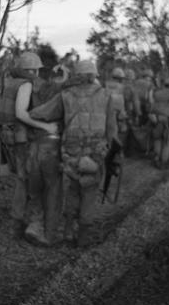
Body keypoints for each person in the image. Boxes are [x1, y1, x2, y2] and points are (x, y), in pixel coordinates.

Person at [30, 59, 118, 247]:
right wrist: (110, 155)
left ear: (76, 76)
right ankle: (83, 237)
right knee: (89, 191)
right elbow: (112, 131)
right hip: (95, 155)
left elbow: (40, 113)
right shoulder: (107, 96)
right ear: (94, 75)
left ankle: (68, 231)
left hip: (70, 153)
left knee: (73, 188)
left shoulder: (65, 95)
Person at [0, 52, 60, 240]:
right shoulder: (26, 84)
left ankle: (19, 222)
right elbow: (21, 114)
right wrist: (45, 126)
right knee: (25, 179)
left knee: (22, 178)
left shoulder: (10, 82)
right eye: (37, 71)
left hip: (7, 136)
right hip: (19, 137)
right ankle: (19, 224)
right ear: (32, 70)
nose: (38, 74)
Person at [149, 76, 169, 168]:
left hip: (157, 120)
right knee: (167, 142)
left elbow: (151, 106)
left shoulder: (157, 93)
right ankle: (163, 163)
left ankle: (156, 159)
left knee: (157, 140)